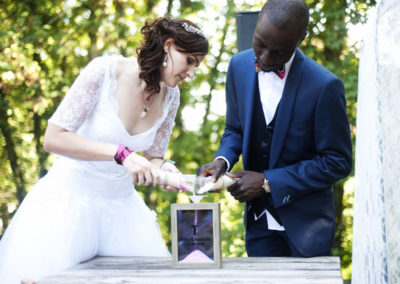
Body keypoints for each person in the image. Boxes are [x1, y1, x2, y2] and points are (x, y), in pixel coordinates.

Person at [0, 17, 208, 283]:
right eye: (189, 60)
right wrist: (120, 153)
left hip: (123, 214)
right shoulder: (105, 72)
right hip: (67, 207)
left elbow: (153, 157)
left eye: (197, 65)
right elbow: (53, 139)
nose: (191, 72)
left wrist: (164, 169)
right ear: (168, 46)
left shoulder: (171, 96)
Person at [198, 0, 352, 257]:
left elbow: (337, 162)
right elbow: (235, 129)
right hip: (258, 225)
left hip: (308, 229)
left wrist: (269, 181)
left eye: (279, 52)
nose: (266, 58)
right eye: (260, 44)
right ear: (257, 25)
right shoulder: (238, 66)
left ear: (301, 38)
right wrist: (222, 159)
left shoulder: (325, 86)